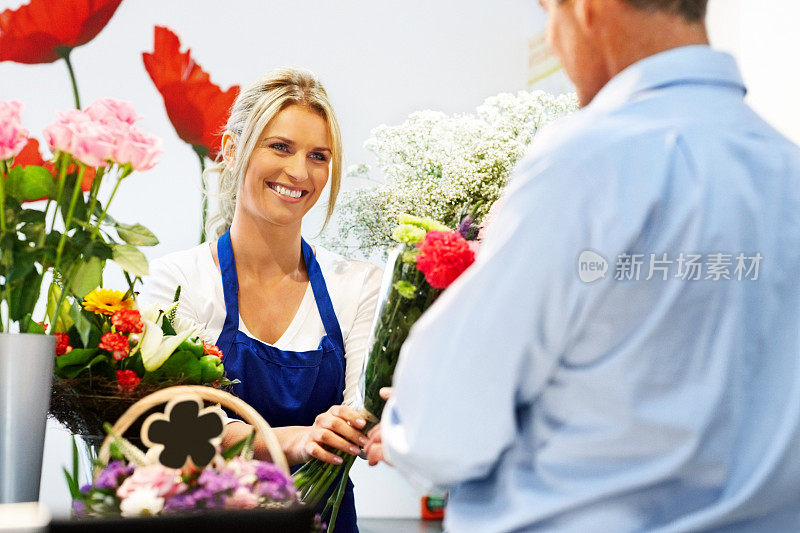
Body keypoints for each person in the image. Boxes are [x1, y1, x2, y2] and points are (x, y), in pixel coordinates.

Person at [365, 0, 800, 531]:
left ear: (587, 8)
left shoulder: (588, 162)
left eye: (549, 12)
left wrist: (410, 426)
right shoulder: (788, 172)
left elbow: (445, 431)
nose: (551, 38)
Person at [140, 68, 381, 531]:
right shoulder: (180, 281)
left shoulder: (357, 284)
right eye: (280, 147)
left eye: (318, 156)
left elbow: (363, 407)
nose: (299, 172)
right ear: (232, 150)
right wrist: (293, 440)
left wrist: (351, 425)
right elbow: (178, 427)